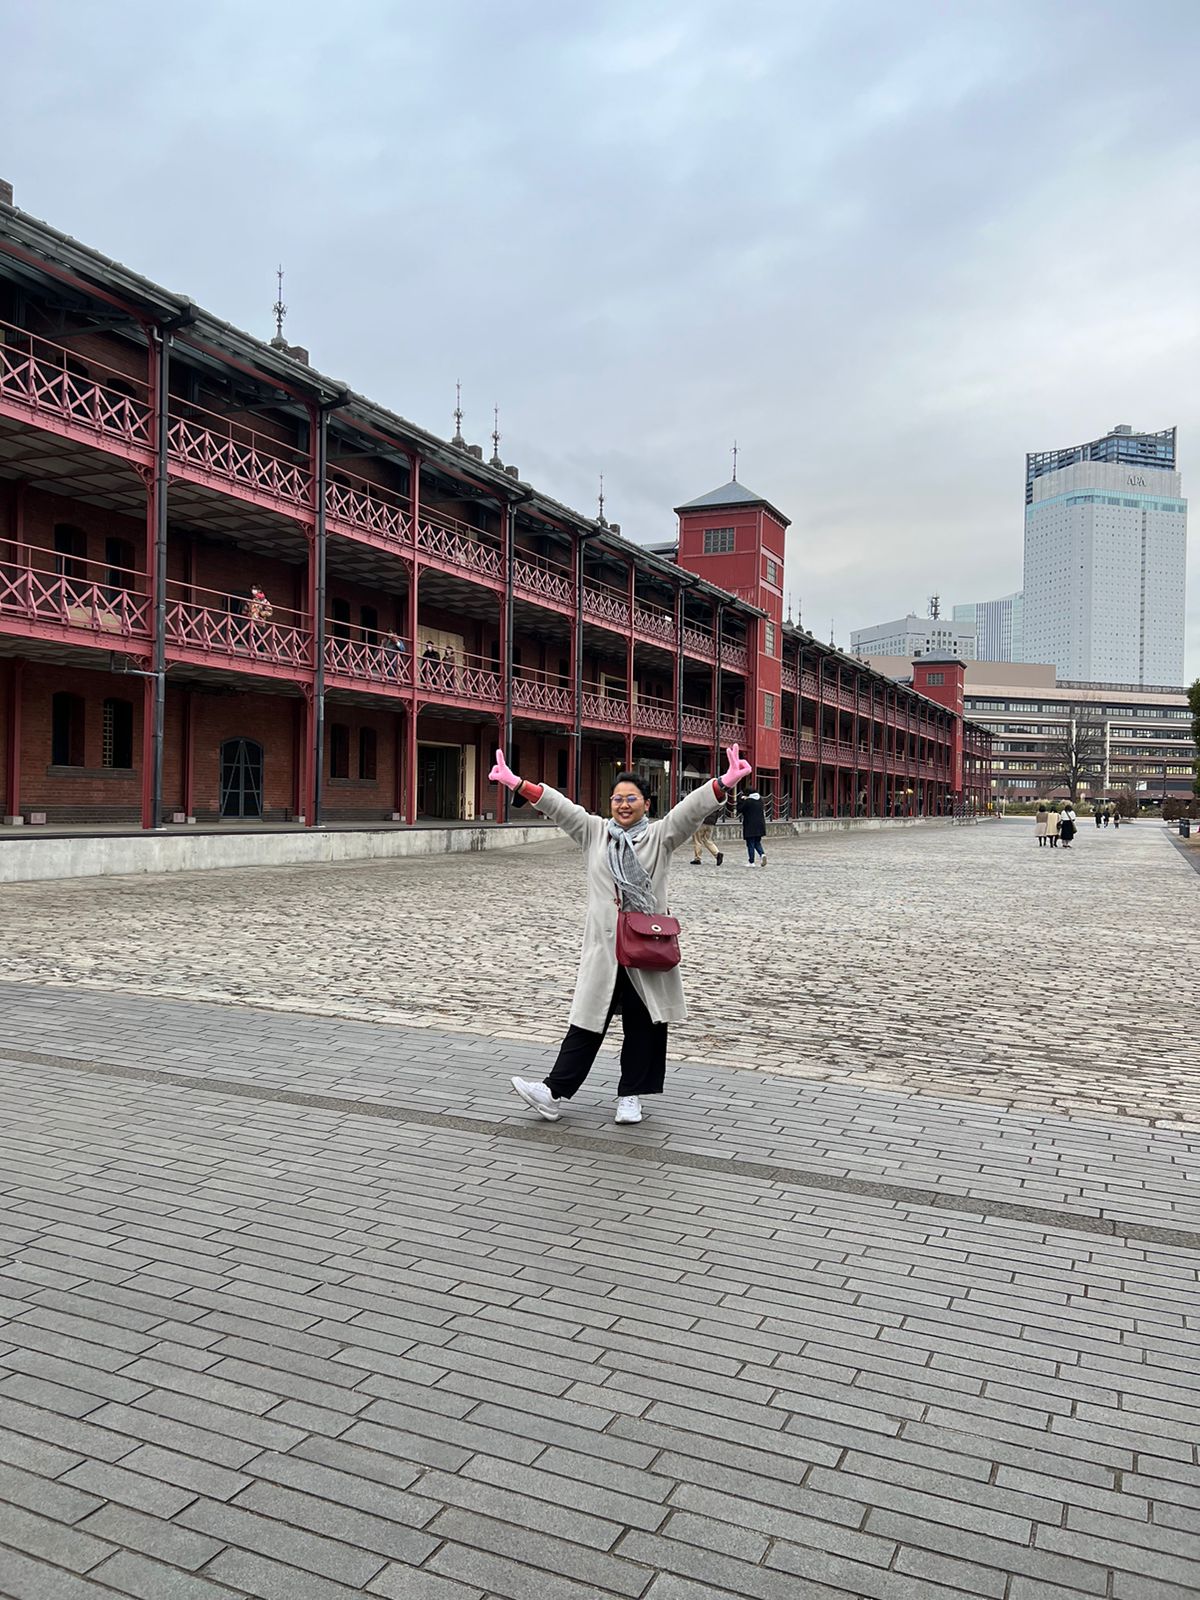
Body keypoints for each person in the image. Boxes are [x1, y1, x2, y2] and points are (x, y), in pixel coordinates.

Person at [501, 744, 752, 1126]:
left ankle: (630, 1096)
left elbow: (689, 812)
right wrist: (518, 783)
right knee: (586, 1022)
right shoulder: (594, 832)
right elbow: (560, 807)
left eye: (631, 798)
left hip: (646, 946)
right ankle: (552, 1092)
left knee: (643, 1023)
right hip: (605, 947)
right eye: (617, 798)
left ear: (646, 804)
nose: (622, 804)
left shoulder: (660, 836)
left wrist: (723, 783)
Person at [737, 788, 767, 867]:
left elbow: (740, 809)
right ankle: (762, 854)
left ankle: (751, 861)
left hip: (750, 825)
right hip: (760, 825)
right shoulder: (760, 800)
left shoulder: (748, 801)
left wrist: (741, 800)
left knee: (750, 843)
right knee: (757, 842)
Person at [690, 801, 725, 866]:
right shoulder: (716, 802)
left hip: (702, 822)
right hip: (711, 823)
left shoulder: (704, 800)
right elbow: (719, 812)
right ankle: (717, 854)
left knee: (697, 840)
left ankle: (697, 858)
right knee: (707, 840)